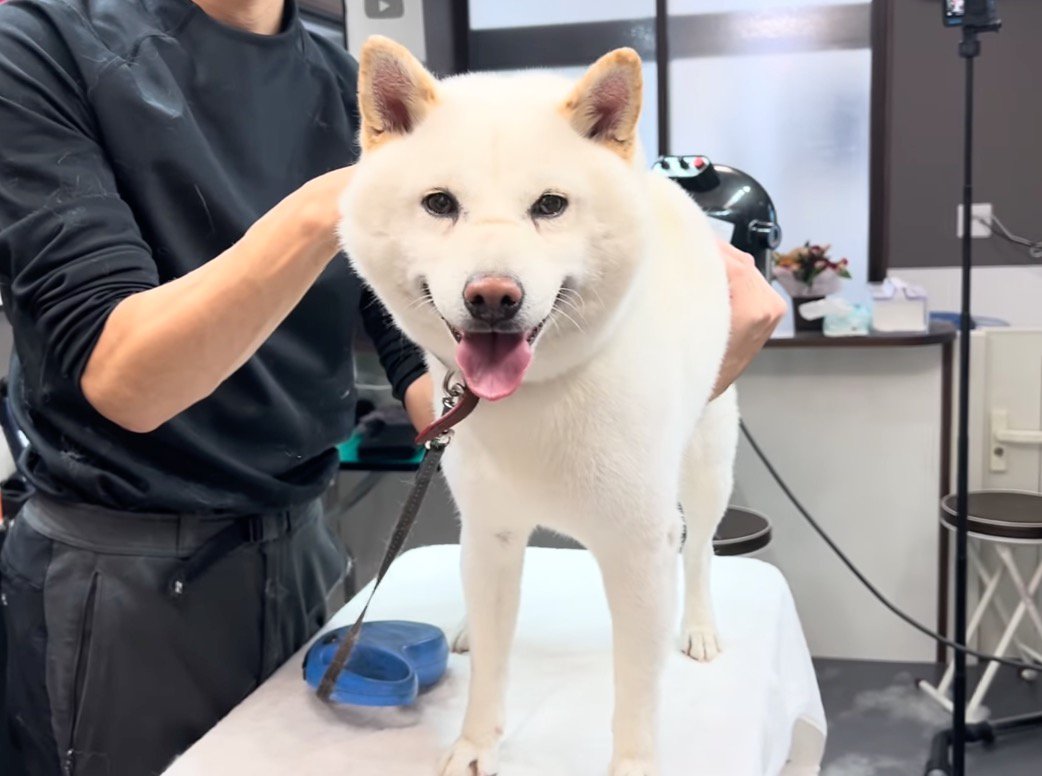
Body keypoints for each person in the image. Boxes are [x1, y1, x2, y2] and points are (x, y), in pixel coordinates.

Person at [0, 1, 785, 774]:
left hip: (303, 549)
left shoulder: (336, 75)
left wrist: (644, 383)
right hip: (118, 574)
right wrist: (334, 207)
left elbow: (417, 360)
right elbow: (124, 379)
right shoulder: (42, 42)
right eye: (440, 203)